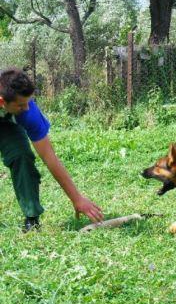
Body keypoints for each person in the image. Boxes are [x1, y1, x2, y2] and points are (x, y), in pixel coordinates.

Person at [0, 68, 103, 232]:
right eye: (21, 105)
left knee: (22, 156)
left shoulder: (28, 113)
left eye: (28, 102)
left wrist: (77, 198)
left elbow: (50, 158)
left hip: (8, 124)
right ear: (2, 102)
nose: (26, 108)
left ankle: (31, 218)